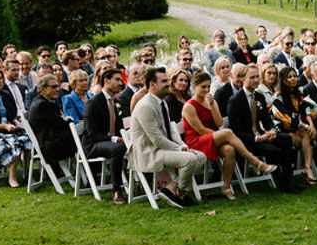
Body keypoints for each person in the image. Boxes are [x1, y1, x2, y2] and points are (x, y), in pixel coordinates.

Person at [182, 70, 274, 200]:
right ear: (194, 87)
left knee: (230, 150)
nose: (207, 90)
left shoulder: (210, 101)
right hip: (196, 141)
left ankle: (226, 187)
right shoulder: (189, 106)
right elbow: (201, 130)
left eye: (208, 86)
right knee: (228, 132)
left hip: (211, 138)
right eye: (203, 87)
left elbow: (219, 122)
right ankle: (255, 161)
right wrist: (222, 134)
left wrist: (213, 105)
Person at [128, 67, 208, 208]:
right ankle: (181, 193)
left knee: (201, 156)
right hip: (148, 153)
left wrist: (184, 147)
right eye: (164, 81)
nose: (168, 83)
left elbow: (171, 129)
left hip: (161, 149)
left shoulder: (161, 101)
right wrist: (181, 149)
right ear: (152, 85)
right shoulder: (145, 106)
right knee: (190, 159)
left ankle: (173, 188)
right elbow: (157, 139)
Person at [227, 64, 296, 193]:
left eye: (257, 77)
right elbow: (235, 132)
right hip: (246, 140)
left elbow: (266, 120)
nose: (255, 80)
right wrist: (258, 138)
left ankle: (288, 178)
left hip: (261, 133)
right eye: (252, 77)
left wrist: (272, 131)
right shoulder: (235, 100)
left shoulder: (258, 96)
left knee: (286, 139)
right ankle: (281, 182)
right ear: (242, 79)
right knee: (272, 149)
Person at [82, 68, 128, 205]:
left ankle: (141, 183)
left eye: (121, 80)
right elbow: (92, 133)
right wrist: (116, 139)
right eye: (117, 80)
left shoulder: (116, 102)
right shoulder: (93, 103)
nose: (121, 83)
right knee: (117, 148)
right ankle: (117, 190)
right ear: (106, 81)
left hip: (109, 141)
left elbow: (119, 126)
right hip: (93, 144)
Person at [271, 66, 317, 185]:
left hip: (299, 129)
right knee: (307, 139)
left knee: (307, 135)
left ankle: (307, 169)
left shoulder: (299, 93)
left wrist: (311, 125)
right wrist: (307, 127)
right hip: (283, 131)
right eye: (290, 77)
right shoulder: (277, 98)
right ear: (284, 80)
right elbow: (287, 119)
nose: (293, 79)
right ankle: (307, 170)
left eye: (295, 76)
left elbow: (307, 109)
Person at [28, 74, 76, 175]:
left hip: (53, 140)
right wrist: (70, 120)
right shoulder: (43, 105)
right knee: (83, 136)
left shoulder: (44, 102)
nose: (58, 89)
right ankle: (89, 172)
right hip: (50, 147)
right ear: (42, 89)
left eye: (58, 86)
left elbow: (61, 122)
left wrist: (66, 120)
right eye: (54, 87)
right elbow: (62, 124)